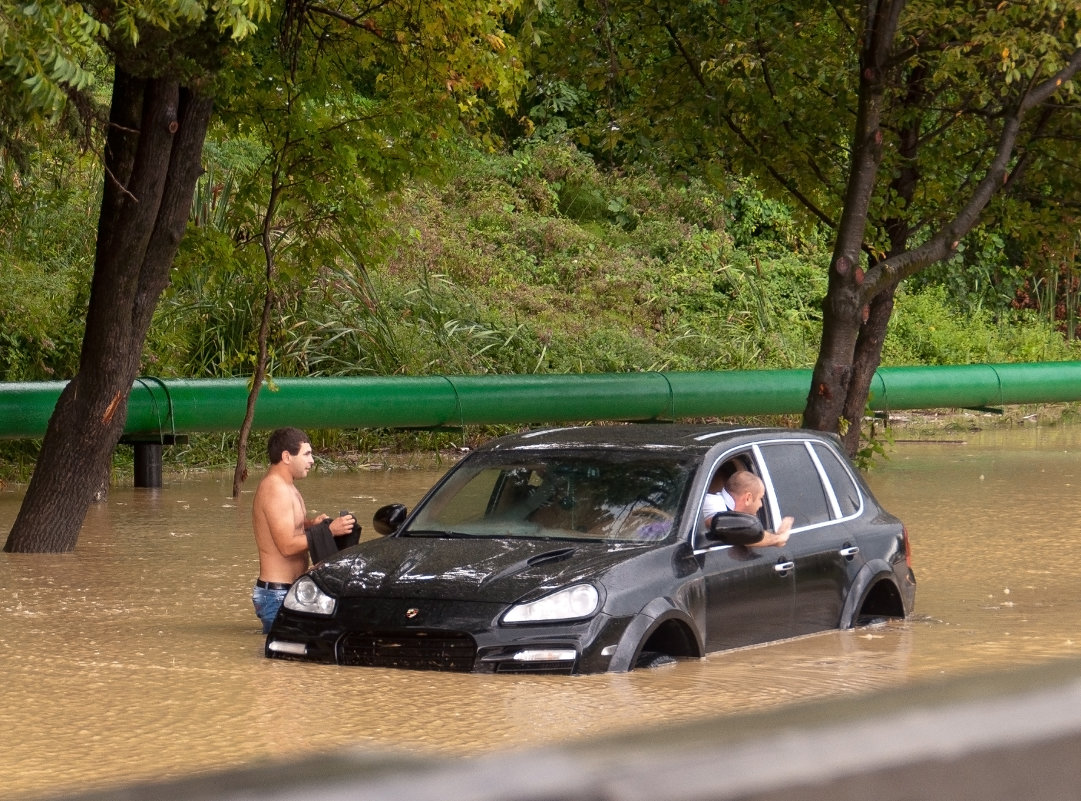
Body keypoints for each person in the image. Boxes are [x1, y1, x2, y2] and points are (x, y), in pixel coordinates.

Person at [251, 427, 357, 633]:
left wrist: (312, 524)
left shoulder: (287, 486)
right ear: (286, 456)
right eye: (307, 454)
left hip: (289, 591)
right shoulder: (275, 489)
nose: (312, 460)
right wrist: (329, 532)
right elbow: (287, 546)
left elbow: (290, 528)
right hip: (277, 594)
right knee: (284, 660)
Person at [702, 469, 793, 548]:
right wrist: (778, 539)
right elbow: (735, 532)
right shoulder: (711, 503)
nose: (761, 504)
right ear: (748, 498)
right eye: (760, 498)